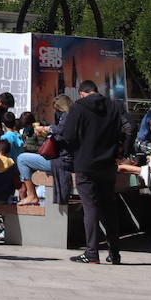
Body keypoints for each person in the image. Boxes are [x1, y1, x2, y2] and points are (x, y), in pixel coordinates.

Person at [57, 79, 125, 264]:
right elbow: (124, 131)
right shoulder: (113, 106)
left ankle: (92, 253)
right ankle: (115, 253)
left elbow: (68, 135)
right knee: (109, 208)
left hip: (85, 163)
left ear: (82, 93)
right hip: (108, 164)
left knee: (90, 207)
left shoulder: (78, 107)